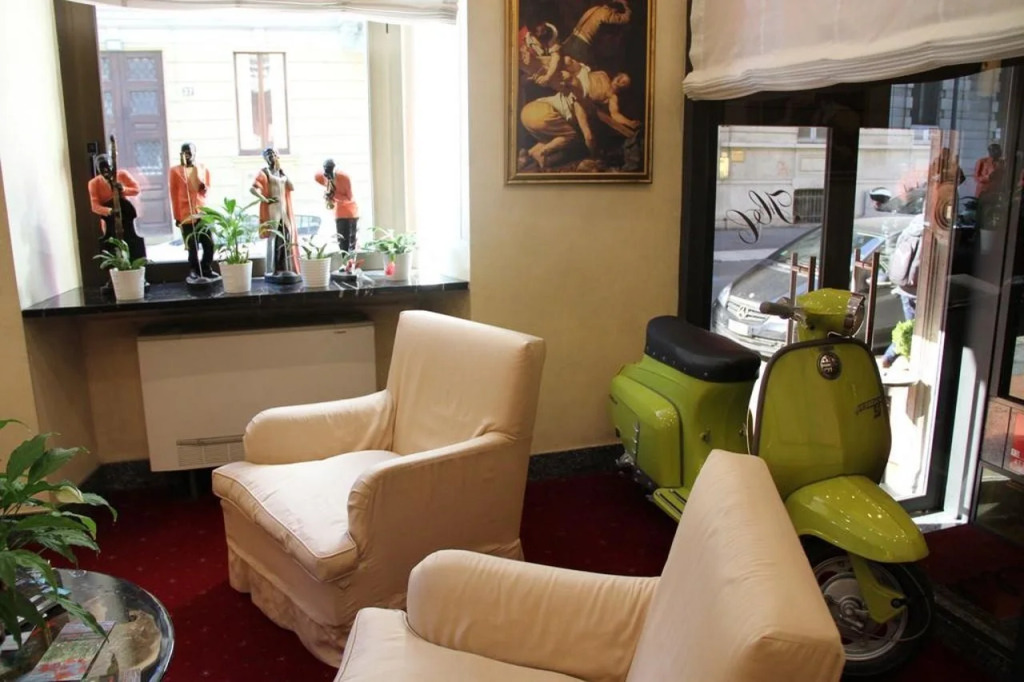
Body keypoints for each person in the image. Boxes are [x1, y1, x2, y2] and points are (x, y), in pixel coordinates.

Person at [169, 142, 217, 283]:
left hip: (201, 211)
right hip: (186, 213)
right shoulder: (175, 171)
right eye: (184, 152)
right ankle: (194, 270)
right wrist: (177, 216)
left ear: (194, 153)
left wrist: (203, 187)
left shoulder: (202, 168)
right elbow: (174, 194)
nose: (187, 155)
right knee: (192, 246)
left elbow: (206, 189)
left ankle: (206, 268)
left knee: (209, 243)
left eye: (189, 152)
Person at [251, 147, 301, 283]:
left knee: (286, 236)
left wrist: (283, 172)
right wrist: (265, 199)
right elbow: (253, 188)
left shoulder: (280, 172)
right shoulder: (264, 172)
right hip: (273, 209)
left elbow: (291, 186)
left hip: (284, 208)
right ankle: (274, 269)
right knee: (274, 237)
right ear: (265, 158)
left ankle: (286, 266)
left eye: (273, 153)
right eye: (268, 154)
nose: (271, 156)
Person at [881, 214, 924, 368]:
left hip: (905, 285)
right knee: (915, 329)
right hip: (920, 288)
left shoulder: (912, 228)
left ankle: (890, 356)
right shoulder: (933, 231)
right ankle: (892, 355)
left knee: (910, 325)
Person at [88, 153, 145, 263]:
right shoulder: (93, 183)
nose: (106, 172)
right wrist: (109, 211)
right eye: (102, 170)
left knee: (131, 240)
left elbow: (136, 189)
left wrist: (123, 189)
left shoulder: (122, 174)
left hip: (126, 214)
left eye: (108, 168)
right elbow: (95, 206)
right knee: (111, 243)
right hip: (109, 220)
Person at [561, 0, 631, 67]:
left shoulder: (595, 8)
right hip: (581, 44)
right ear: (614, 10)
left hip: (572, 38)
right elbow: (625, 19)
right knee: (588, 69)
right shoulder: (607, 13)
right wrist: (625, 6)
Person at [314, 158, 359, 254]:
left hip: (350, 212)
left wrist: (333, 195)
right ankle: (345, 260)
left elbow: (349, 197)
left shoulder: (344, 177)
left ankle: (350, 261)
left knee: (350, 242)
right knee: (342, 241)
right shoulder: (323, 176)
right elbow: (317, 176)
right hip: (340, 213)